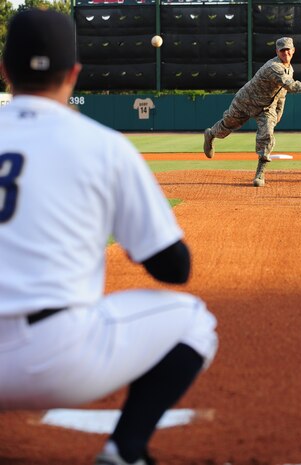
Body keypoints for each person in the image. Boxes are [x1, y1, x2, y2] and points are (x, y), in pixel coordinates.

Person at [0, 9, 218, 465]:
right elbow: (173, 268)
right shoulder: (102, 145)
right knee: (194, 320)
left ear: (4, 71)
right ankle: (126, 449)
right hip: (56, 358)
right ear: (74, 73)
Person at [203, 37, 301, 187]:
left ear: (293, 50)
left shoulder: (289, 69)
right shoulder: (273, 67)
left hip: (266, 107)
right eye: (282, 50)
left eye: (288, 49)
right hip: (246, 101)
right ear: (277, 51)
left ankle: (260, 173)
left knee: (267, 134)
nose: (286, 52)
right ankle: (211, 134)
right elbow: (291, 85)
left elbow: (282, 92)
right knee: (226, 126)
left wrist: (279, 111)